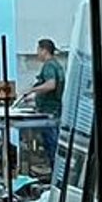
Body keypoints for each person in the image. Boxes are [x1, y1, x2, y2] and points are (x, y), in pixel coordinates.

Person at [24, 37, 66, 175]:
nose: (37, 54)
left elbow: (50, 85)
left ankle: (55, 174)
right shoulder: (57, 65)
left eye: (38, 50)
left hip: (48, 112)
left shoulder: (49, 66)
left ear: (44, 50)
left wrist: (32, 90)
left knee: (51, 145)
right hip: (55, 110)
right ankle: (57, 174)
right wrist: (34, 97)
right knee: (54, 145)